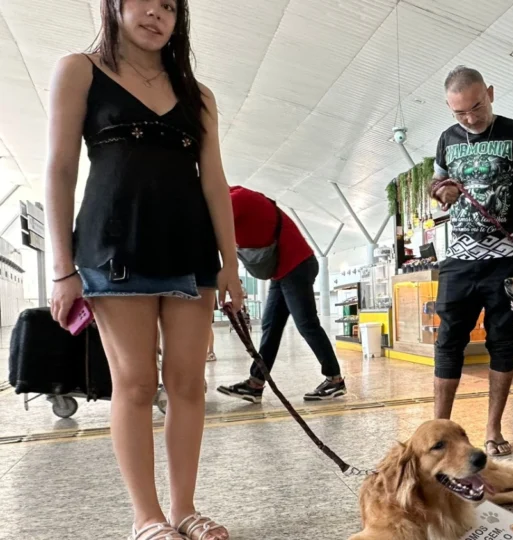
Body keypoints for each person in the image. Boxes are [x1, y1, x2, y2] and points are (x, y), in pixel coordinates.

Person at [45, 1, 241, 538]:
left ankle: (184, 509)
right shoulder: (80, 69)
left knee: (188, 385)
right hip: (113, 246)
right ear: (115, 6)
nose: (156, 14)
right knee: (133, 384)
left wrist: (230, 265)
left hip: (190, 250)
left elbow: (214, 181)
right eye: (144, 2)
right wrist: (62, 268)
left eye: (169, 7)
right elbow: (60, 169)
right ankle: (146, 517)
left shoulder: (198, 95)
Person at [429, 66, 513, 457]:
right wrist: (441, 191)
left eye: (476, 107)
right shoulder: (446, 139)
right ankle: (439, 433)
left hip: (506, 258)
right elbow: (435, 184)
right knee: (448, 341)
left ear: (490, 92)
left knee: (503, 342)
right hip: (459, 258)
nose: (470, 118)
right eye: (460, 113)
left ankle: (492, 429)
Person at [217, 186, 345, 403]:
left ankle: (335, 380)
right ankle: (255, 384)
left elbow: (208, 233)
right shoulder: (232, 199)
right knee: (271, 326)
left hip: (296, 265)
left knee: (307, 324)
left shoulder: (234, 200)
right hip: (282, 271)